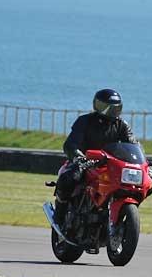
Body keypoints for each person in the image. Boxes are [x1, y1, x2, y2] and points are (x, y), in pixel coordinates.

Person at [53, 89, 136, 228]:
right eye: (106, 107)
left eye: (114, 108)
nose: (110, 111)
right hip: (85, 162)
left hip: (110, 165)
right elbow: (70, 144)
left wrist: (142, 162)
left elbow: (133, 145)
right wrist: (79, 157)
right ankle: (59, 217)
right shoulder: (85, 121)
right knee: (69, 178)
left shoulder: (121, 125)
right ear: (97, 105)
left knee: (130, 184)